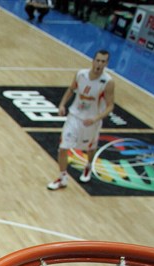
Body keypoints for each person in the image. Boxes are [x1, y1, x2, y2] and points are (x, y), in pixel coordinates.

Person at [47, 50, 115, 190]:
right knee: (63, 147)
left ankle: (89, 165)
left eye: (103, 61)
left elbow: (110, 106)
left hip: (91, 121)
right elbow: (71, 90)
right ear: (93, 60)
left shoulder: (108, 82)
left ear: (106, 63)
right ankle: (62, 177)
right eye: (98, 60)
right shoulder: (81, 74)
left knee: (89, 148)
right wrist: (62, 104)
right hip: (74, 116)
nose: (99, 64)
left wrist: (95, 118)